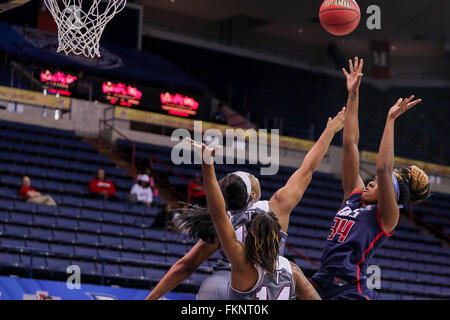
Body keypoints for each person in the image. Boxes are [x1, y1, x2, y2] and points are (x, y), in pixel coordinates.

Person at [145, 108, 345, 300]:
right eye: (251, 176)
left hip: (229, 282)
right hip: (273, 278)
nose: (253, 174)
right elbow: (308, 168)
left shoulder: (222, 226)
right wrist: (330, 131)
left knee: (212, 287)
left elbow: (185, 266)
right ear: (254, 194)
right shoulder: (277, 206)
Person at [310, 57, 431, 300]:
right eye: (372, 181)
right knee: (288, 273)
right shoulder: (353, 196)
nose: (371, 182)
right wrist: (353, 94)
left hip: (350, 290)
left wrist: (390, 120)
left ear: (391, 195)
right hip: (323, 281)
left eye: (378, 184)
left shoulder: (386, 217)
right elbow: (349, 144)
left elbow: (384, 169)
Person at [185, 138, 321, 300]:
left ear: (250, 240)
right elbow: (307, 169)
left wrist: (208, 165)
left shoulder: (242, 266)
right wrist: (330, 130)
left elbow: (219, 215)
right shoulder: (292, 271)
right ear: (278, 238)